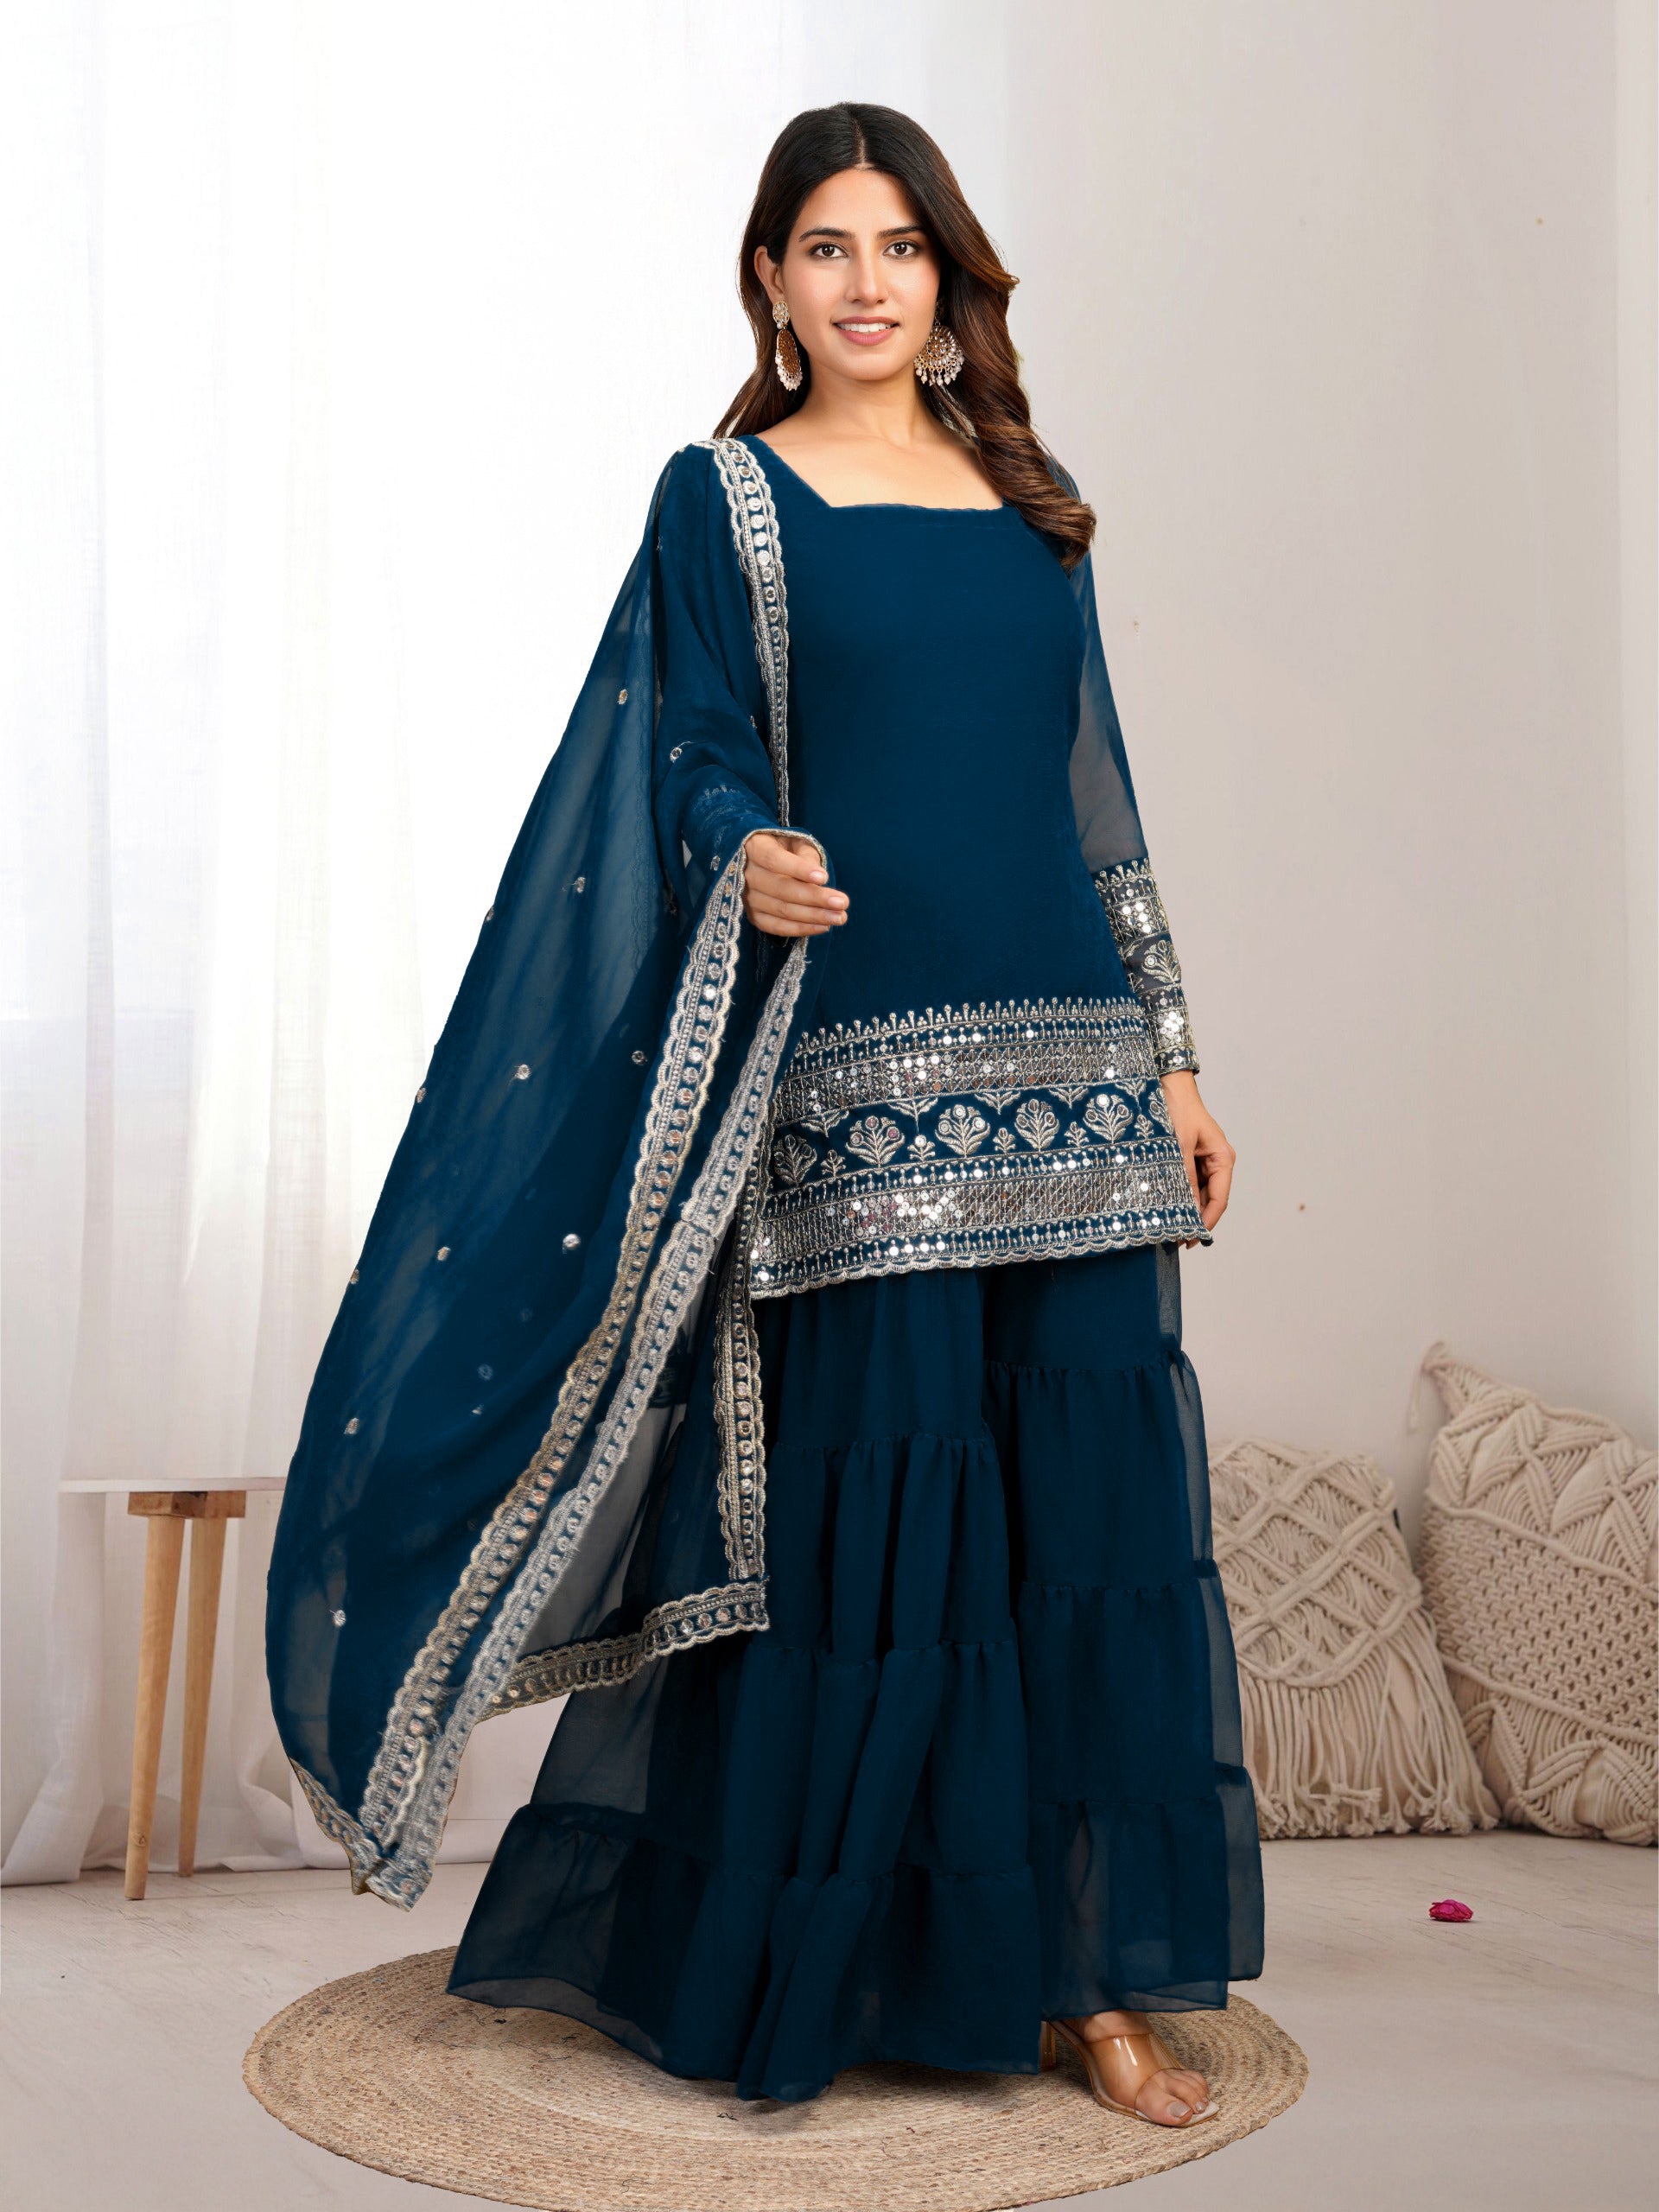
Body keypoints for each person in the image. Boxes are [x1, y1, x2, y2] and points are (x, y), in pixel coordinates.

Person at [267, 101, 1262, 2126]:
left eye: (902, 245)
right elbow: (697, 747)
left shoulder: (1028, 497)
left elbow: (1097, 799)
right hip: (862, 1073)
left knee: (1079, 1531)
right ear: (770, 281)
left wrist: (1170, 1051)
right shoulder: (725, 499)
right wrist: (746, 853)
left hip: (1072, 1073)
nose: (870, 280)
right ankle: (826, 1968)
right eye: (829, 245)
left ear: (952, 279)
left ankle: (1086, 1984)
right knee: (882, 1531)